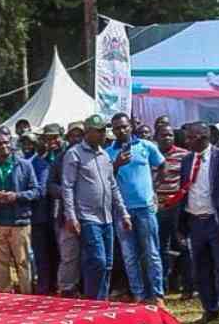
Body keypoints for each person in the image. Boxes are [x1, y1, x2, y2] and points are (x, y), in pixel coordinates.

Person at [166, 121, 219, 324]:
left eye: (190, 137)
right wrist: (182, 226)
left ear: (203, 137)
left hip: (216, 223)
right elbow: (184, 192)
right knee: (200, 268)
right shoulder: (187, 160)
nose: (187, 141)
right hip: (195, 222)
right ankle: (210, 309)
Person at [62, 116, 130, 301]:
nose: (103, 135)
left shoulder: (105, 155)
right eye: (99, 131)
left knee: (108, 263)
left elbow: (113, 186)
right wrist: (71, 217)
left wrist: (124, 213)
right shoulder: (74, 154)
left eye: (103, 131)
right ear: (88, 132)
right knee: (97, 261)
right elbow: (67, 187)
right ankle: (93, 301)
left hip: (107, 217)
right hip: (87, 216)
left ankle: (101, 302)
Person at [110, 114, 166, 307]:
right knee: (129, 255)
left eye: (124, 127)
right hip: (122, 211)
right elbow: (108, 178)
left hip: (145, 209)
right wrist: (116, 164)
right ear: (113, 130)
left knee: (151, 252)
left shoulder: (146, 146)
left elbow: (162, 166)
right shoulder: (108, 152)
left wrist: (154, 189)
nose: (122, 131)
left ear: (130, 127)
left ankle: (157, 295)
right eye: (117, 128)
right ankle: (138, 294)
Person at [0, 130, 41, 293]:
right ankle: (5, 296)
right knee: (0, 262)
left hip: (19, 222)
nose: (4, 146)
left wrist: (16, 196)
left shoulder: (24, 165)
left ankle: (27, 295)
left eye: (7, 143)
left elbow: (36, 191)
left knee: (22, 262)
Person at [49, 121, 87, 296]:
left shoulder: (93, 155)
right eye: (73, 135)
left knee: (91, 256)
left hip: (91, 214)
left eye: (80, 135)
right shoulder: (60, 158)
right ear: (68, 137)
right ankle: (67, 289)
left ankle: (88, 289)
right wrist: (65, 191)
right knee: (69, 255)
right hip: (67, 215)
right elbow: (50, 185)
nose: (76, 138)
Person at [153, 117, 189, 296]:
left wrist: (177, 199)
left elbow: (187, 181)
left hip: (177, 207)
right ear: (156, 137)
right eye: (163, 135)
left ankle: (186, 285)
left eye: (170, 135)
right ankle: (163, 285)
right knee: (160, 247)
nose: (167, 138)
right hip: (156, 208)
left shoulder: (183, 155)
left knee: (183, 246)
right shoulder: (150, 153)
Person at [28, 123, 64, 294]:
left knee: (61, 253)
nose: (52, 141)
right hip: (40, 216)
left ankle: (59, 286)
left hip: (62, 214)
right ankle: (44, 289)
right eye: (48, 138)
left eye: (55, 137)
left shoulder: (67, 157)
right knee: (41, 255)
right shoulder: (34, 162)